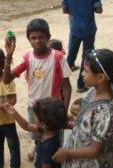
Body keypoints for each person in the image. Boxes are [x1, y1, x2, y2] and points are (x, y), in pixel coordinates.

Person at [52, 49, 113, 168]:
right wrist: (67, 125)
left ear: (101, 77)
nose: (82, 73)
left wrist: (67, 153)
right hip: (80, 165)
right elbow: (85, 125)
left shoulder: (105, 112)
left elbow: (94, 150)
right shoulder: (92, 92)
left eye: (86, 70)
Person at [4, 18, 72, 160]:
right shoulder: (28, 58)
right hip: (34, 108)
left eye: (41, 37)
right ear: (28, 39)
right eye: (33, 38)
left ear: (48, 37)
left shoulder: (58, 57)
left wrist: (64, 111)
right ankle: (39, 152)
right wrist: (9, 56)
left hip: (53, 110)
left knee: (55, 140)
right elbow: (7, 79)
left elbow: (67, 87)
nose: (37, 41)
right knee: (38, 136)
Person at [2, 98, 67, 168]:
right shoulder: (47, 130)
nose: (34, 117)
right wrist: (14, 113)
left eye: (35, 115)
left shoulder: (49, 146)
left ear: (43, 123)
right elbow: (27, 126)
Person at [63, 0, 103, 93]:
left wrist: (77, 10)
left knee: (70, 57)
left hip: (75, 28)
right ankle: (81, 84)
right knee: (86, 57)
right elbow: (98, 10)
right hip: (89, 28)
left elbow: (65, 10)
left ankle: (61, 83)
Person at [66, 0, 93, 72]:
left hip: (74, 13)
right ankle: (71, 65)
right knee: (77, 40)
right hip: (80, 15)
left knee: (74, 36)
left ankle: (69, 64)